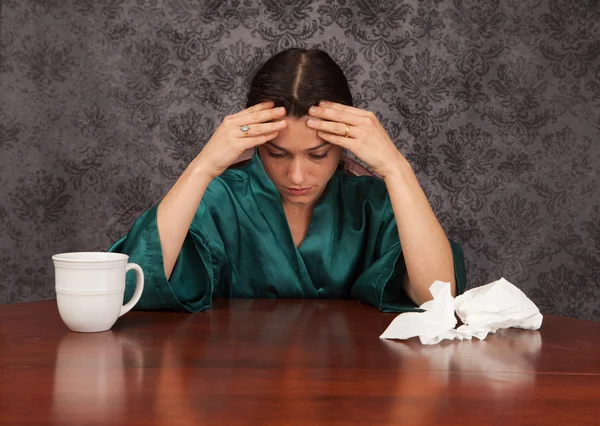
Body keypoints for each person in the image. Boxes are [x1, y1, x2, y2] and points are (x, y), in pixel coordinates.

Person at [109, 48, 466, 312]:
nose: (297, 176)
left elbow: (440, 297)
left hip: (355, 389)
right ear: (255, 143)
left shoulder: (373, 202)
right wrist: (202, 166)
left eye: (318, 154)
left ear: (344, 144)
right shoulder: (218, 199)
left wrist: (397, 168)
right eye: (277, 154)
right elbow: (132, 287)